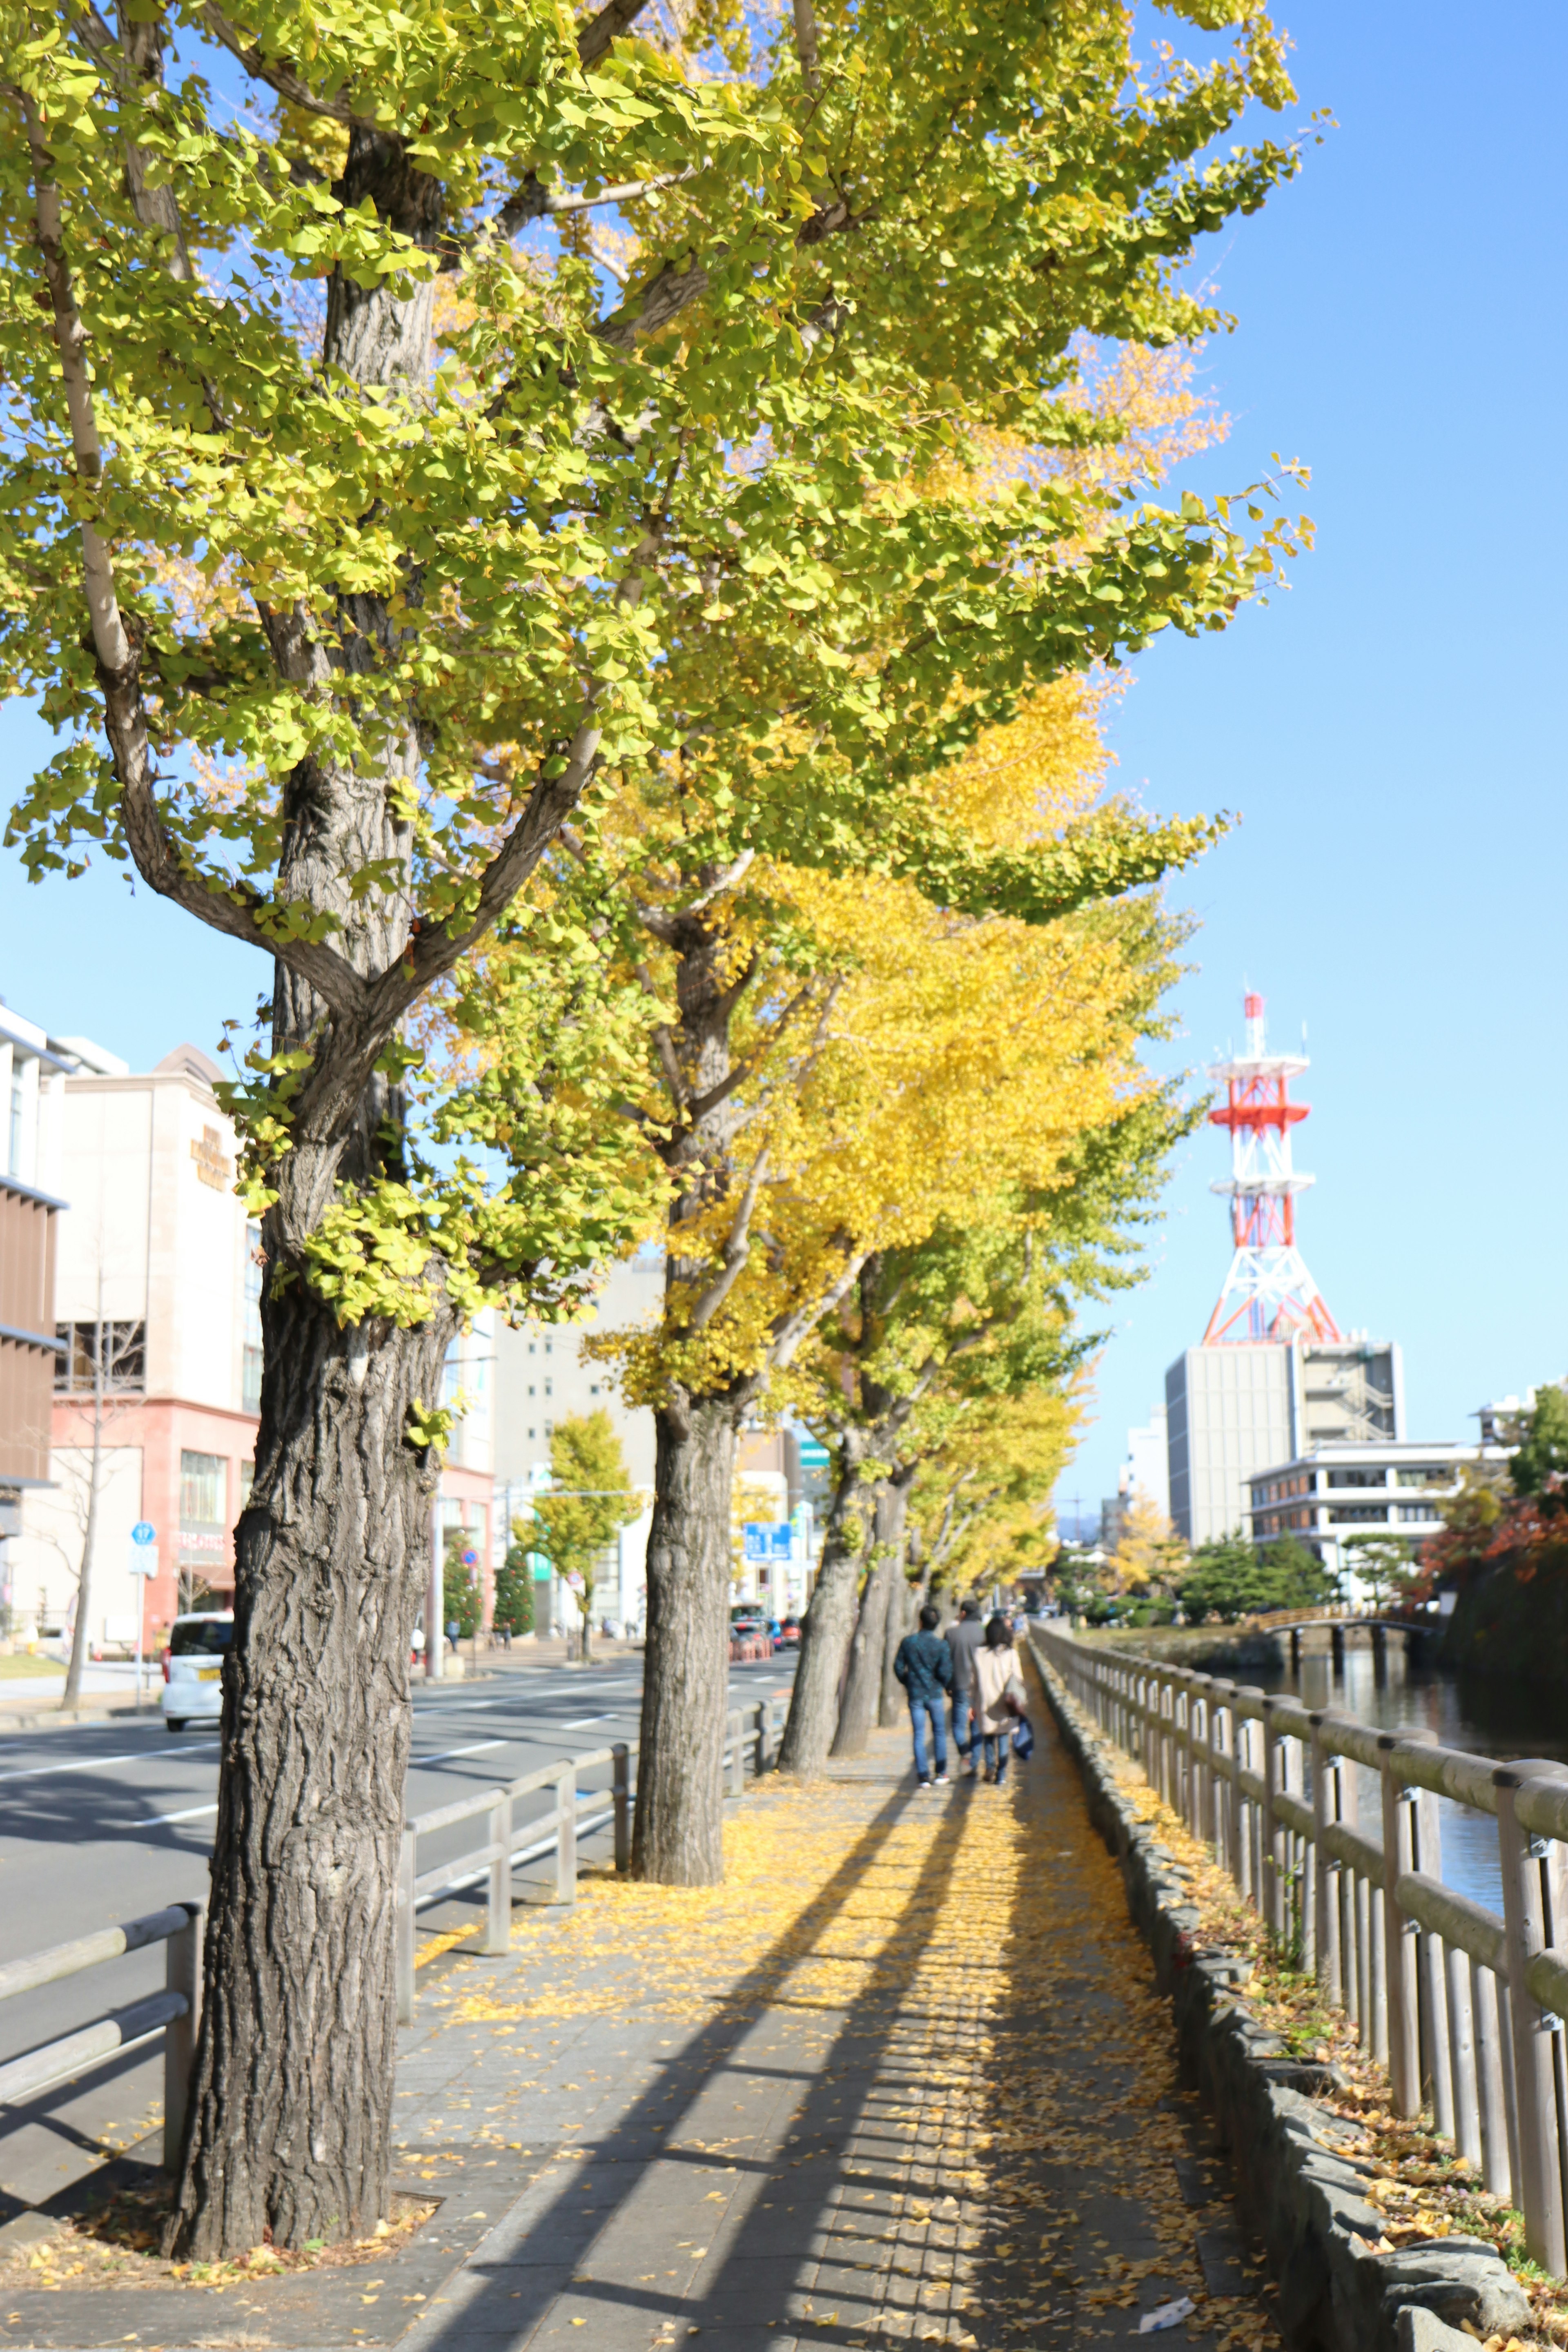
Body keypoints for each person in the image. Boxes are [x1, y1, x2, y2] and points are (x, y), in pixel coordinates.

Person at [893, 1601, 955, 1787]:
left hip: (916, 1694)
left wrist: (908, 1681)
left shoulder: (909, 1642)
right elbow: (946, 1672)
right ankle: (941, 1772)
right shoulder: (941, 1645)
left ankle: (923, 1776)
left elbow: (897, 1667)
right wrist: (942, 1684)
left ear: (920, 1622)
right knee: (939, 1733)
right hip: (935, 1694)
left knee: (919, 1735)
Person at [971, 1614, 1027, 1786]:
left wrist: (972, 1703)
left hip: (985, 1700)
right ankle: (1001, 1773)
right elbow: (1018, 1678)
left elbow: (973, 1681)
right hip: (1005, 1700)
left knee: (988, 1736)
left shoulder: (979, 1653)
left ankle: (989, 1766)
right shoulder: (1010, 1654)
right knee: (1003, 1735)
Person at [944, 1599, 984, 1776]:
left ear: (963, 1614)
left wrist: (947, 1684)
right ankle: (974, 1761)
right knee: (977, 1725)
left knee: (958, 1726)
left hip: (959, 1684)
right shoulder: (984, 1635)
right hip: (981, 1686)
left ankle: (965, 1752)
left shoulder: (951, 1634)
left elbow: (946, 1662)